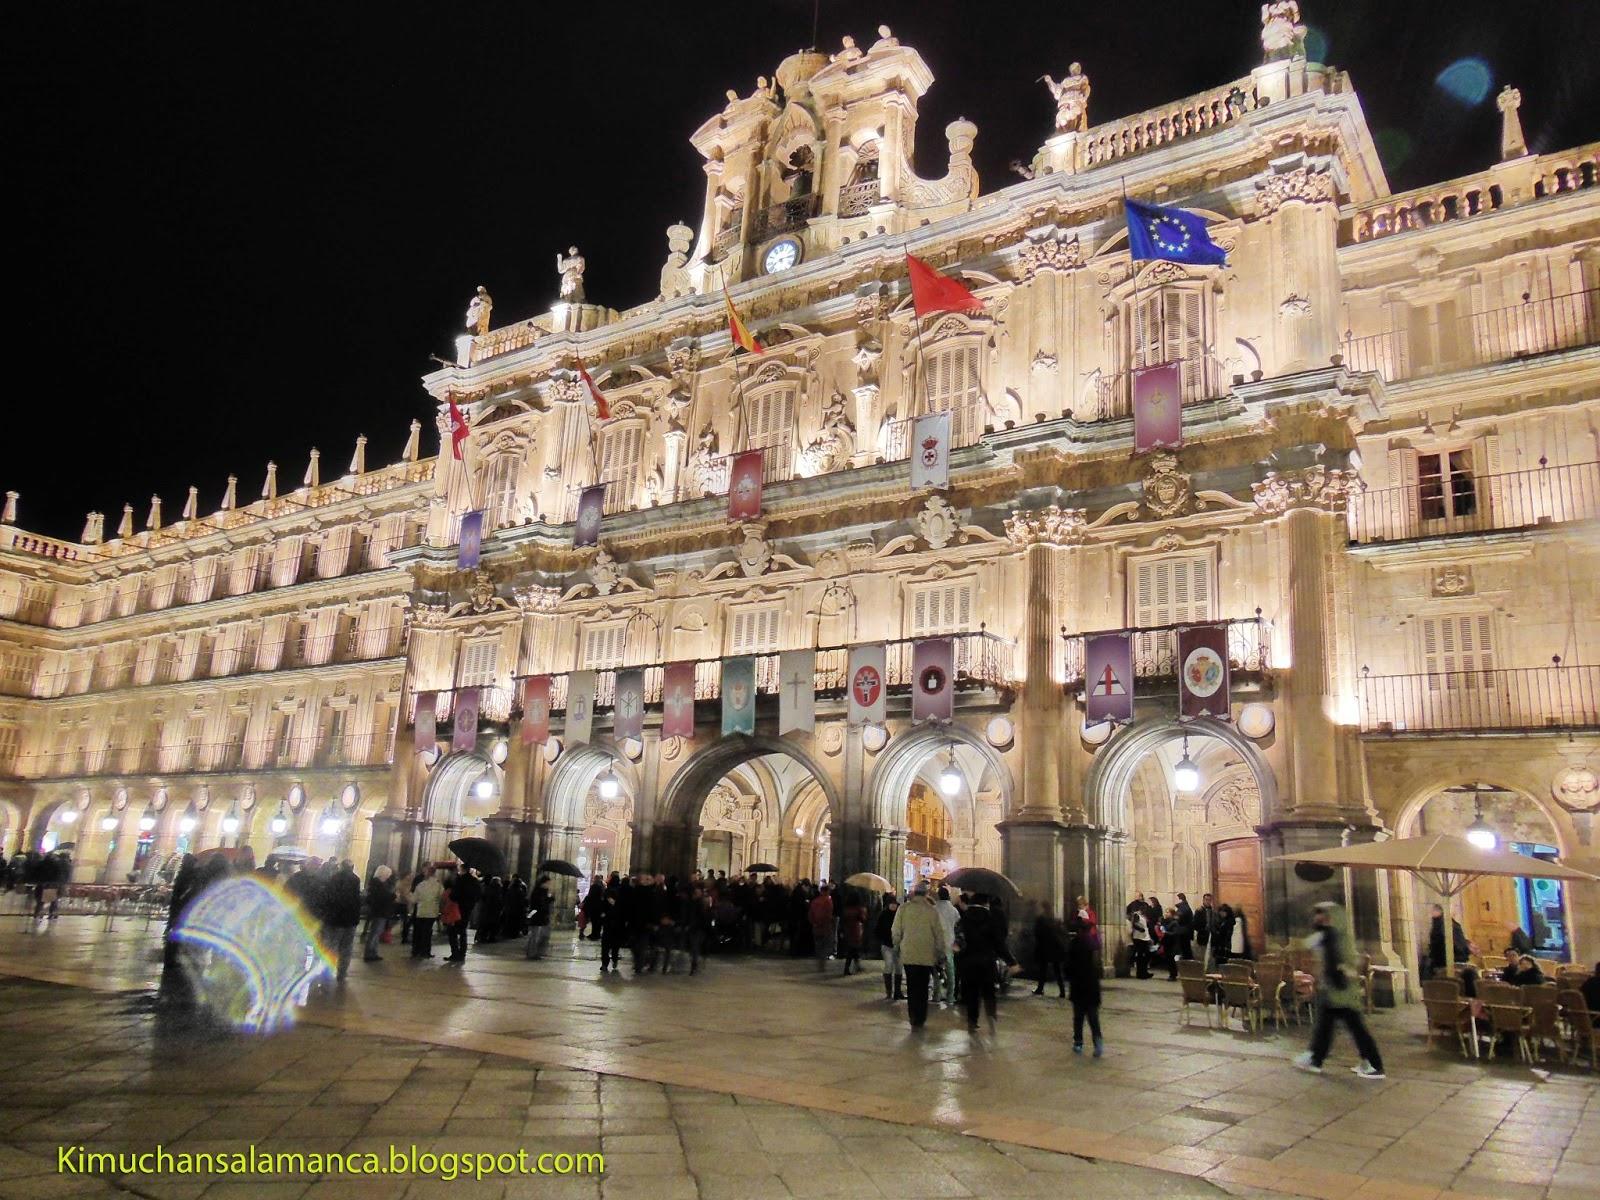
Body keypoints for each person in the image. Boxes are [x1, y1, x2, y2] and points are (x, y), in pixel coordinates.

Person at [1294, 900, 1385, 1079]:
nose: (1319, 919)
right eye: (1318, 915)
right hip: (1333, 990)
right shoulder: (1327, 935)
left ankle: (1374, 1065)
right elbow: (1308, 945)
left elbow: (1348, 962)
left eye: (1323, 916)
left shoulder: (1338, 937)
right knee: (1326, 1027)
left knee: (1355, 1028)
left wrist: (1344, 970)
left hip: (1343, 991)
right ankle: (1315, 1059)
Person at [892, 881, 950, 1029]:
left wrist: (897, 945)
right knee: (923, 986)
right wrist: (941, 951)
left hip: (909, 952)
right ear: (926, 894)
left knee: (912, 985)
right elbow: (939, 933)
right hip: (926, 953)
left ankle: (913, 1016)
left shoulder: (904, 909)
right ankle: (921, 1016)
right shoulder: (932, 911)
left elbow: (896, 930)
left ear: (913, 893)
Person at [956, 894, 1016, 1034]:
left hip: (969, 962)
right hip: (987, 962)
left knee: (972, 993)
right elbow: (999, 944)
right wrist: (1011, 962)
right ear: (985, 903)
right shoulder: (990, 919)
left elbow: (959, 939)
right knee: (989, 991)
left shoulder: (964, 918)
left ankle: (972, 1021)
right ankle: (991, 1016)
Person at [1065, 915, 1103, 1056]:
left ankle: (1078, 1043)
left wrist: (1068, 977)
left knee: (1078, 1016)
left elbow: (1068, 964)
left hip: (1079, 983)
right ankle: (1098, 1042)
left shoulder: (1075, 943)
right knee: (1093, 1016)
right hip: (1092, 983)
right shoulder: (1094, 943)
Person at [321, 860, 363, 983]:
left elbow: (329, 897)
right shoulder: (356, 879)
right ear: (352, 867)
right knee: (346, 947)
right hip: (350, 919)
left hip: (335, 918)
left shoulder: (334, 878)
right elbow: (356, 899)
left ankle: (327, 970)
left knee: (332, 945)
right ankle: (342, 972)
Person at [1425, 904, 1472, 980]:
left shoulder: (1440, 925)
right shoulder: (1447, 925)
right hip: (1450, 963)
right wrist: (1466, 949)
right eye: (1455, 907)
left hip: (1441, 962)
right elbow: (1453, 943)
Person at [1032, 906, 1068, 998]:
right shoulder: (1054, 920)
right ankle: (1062, 991)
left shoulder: (1041, 920)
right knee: (1057, 970)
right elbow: (1062, 932)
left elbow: (1037, 933)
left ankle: (1040, 989)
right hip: (1055, 947)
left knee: (1043, 970)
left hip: (1045, 948)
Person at [362, 866, 395, 963]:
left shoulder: (380, 883)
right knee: (374, 933)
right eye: (388, 874)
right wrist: (392, 896)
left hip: (381, 911)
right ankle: (369, 953)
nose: (389, 876)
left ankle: (373, 952)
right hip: (379, 911)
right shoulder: (377, 884)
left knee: (377, 932)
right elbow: (381, 897)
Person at [934, 886, 961, 1005]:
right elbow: (956, 922)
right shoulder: (953, 910)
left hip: (936, 943)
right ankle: (950, 995)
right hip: (950, 942)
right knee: (950, 970)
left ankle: (937, 994)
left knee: (935, 969)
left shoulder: (934, 909)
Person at [410, 867, 443, 959]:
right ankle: (426, 951)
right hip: (432, 911)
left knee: (418, 931)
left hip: (421, 911)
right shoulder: (438, 885)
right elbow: (441, 897)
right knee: (427, 932)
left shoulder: (420, 885)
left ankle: (416, 950)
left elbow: (414, 899)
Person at [875, 897, 903, 1001]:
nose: (893, 905)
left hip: (899, 945)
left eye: (895, 904)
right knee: (889, 965)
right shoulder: (883, 914)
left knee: (899, 967)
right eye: (891, 904)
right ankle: (889, 992)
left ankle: (897, 992)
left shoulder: (900, 914)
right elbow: (878, 929)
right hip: (887, 944)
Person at [525, 875, 554, 959]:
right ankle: (531, 953)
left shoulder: (545, 892)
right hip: (537, 916)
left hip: (543, 916)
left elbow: (545, 902)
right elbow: (537, 905)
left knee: (543, 935)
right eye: (548, 883)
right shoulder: (537, 892)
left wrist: (550, 898)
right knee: (534, 936)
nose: (549, 885)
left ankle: (538, 952)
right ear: (543, 883)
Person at [809, 884, 836, 972]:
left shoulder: (815, 901)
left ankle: (819, 963)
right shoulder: (828, 901)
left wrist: (813, 922)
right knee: (824, 946)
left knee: (818, 946)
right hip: (825, 927)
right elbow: (828, 914)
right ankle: (822, 965)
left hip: (816, 926)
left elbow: (810, 914)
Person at [839, 892, 867, 976]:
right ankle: (847, 969)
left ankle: (857, 966)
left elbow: (843, 920)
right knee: (852, 950)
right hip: (855, 930)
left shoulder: (846, 908)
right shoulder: (858, 909)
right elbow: (862, 919)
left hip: (847, 930)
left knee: (853, 949)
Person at [1128, 902, 1153, 979]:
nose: (1145, 909)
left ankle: (1144, 971)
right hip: (1139, 938)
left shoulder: (1143, 916)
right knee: (1141, 956)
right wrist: (1140, 929)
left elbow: (1145, 927)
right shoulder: (1137, 915)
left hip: (1144, 937)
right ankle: (1141, 973)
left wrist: (1149, 937)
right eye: (1144, 908)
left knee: (1146, 955)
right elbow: (1134, 924)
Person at [1193, 893, 1218, 968]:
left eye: (1209, 900)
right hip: (1202, 935)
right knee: (1201, 954)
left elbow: (1215, 923)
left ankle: (1209, 970)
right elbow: (1195, 924)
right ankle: (1201, 969)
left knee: (1210, 955)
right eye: (1206, 900)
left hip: (1211, 936)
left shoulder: (1213, 911)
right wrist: (1202, 929)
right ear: (1203, 900)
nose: (1208, 901)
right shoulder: (1199, 911)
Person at [580, 875, 606, 941]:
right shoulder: (602, 886)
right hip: (600, 906)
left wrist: (585, 903)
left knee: (594, 921)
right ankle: (597, 934)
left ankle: (594, 935)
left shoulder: (594, 886)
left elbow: (590, 896)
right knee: (598, 922)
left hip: (594, 907)